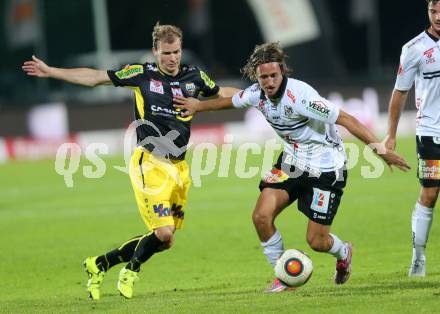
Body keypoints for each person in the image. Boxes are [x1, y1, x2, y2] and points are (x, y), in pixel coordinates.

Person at [22, 23, 239, 300]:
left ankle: (99, 263)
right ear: (155, 51)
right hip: (149, 162)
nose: (171, 58)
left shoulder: (195, 77)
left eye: (176, 52)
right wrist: (52, 71)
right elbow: (95, 77)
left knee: (166, 239)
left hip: (179, 168)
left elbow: (221, 93)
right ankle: (131, 271)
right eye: (165, 53)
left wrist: (258, 95)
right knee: (162, 232)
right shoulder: (141, 74)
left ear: (181, 50)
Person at [174, 42, 411, 292]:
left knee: (316, 241)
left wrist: (381, 151)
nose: (269, 81)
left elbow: (347, 119)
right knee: (261, 216)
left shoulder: (301, 97)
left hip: (327, 170)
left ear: (282, 72)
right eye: (264, 77)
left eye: (274, 75)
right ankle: (284, 275)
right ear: (257, 76)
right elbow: (232, 101)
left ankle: (343, 252)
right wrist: (198, 106)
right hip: (292, 163)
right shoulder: (257, 93)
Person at [384, 0, 440, 277]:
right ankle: (418, 257)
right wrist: (391, 136)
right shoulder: (414, 49)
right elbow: (399, 93)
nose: (438, 17)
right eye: (433, 12)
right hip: (432, 132)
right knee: (430, 195)